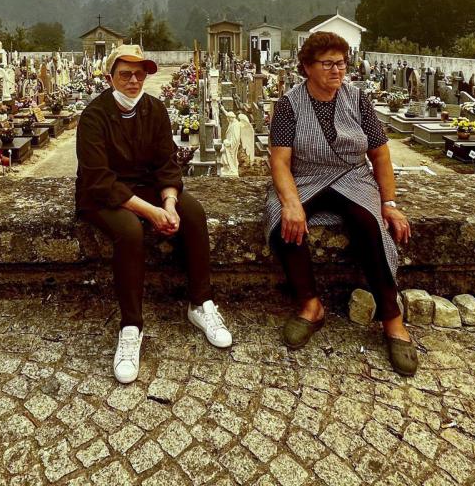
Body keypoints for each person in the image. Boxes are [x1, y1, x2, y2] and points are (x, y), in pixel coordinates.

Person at [76, 44, 232, 384]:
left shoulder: (155, 109)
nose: (133, 80)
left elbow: (166, 163)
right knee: (130, 231)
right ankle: (131, 326)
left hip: (147, 187)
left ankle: (200, 303)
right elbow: (98, 179)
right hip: (102, 194)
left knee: (194, 213)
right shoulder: (94, 116)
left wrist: (170, 204)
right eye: (125, 74)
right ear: (110, 77)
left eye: (140, 73)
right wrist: (151, 212)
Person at [266, 31, 417, 376]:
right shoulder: (289, 105)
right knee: (284, 225)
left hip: (352, 175)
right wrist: (291, 203)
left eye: (342, 63)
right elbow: (280, 162)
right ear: (307, 67)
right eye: (328, 63)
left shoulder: (358, 100)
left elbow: (379, 155)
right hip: (305, 176)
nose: (337, 70)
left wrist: (389, 203)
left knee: (369, 224)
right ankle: (311, 306)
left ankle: (391, 318)